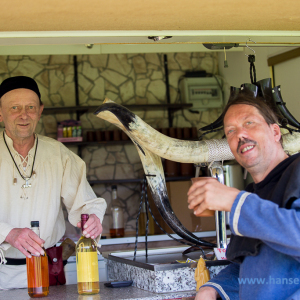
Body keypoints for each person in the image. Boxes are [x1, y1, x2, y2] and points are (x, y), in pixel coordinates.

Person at [188, 93, 300, 300]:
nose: (240, 134)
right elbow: (251, 270)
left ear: (275, 131)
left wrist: (235, 201)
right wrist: (212, 288)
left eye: (249, 122)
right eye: (231, 131)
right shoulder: (252, 194)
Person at [0, 76, 107, 289]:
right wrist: (8, 233)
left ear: (40, 110)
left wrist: (92, 218)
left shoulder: (58, 154)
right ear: (0, 113)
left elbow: (84, 202)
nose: (24, 115)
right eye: (15, 107)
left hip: (50, 272)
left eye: (30, 107)